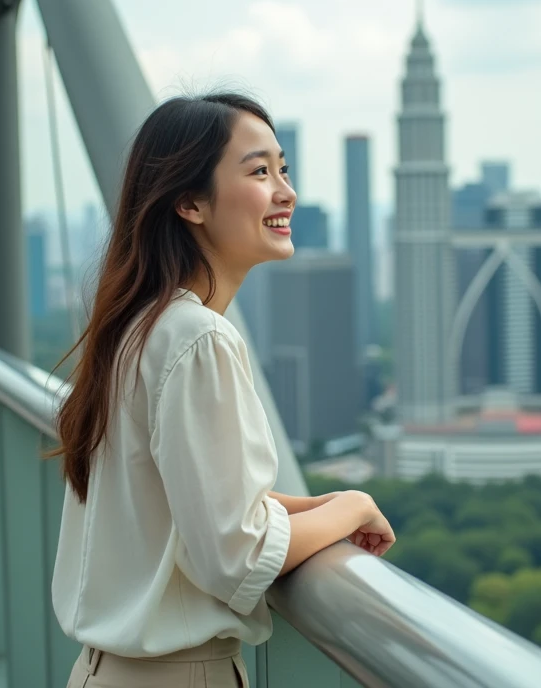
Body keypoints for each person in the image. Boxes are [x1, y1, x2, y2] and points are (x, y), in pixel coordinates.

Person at [46, 93, 395, 688]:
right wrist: (353, 507)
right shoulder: (198, 337)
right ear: (190, 203)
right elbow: (238, 558)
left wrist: (311, 510)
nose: (286, 191)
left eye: (283, 168)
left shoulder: (139, 328)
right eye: (259, 171)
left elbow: (191, 503)